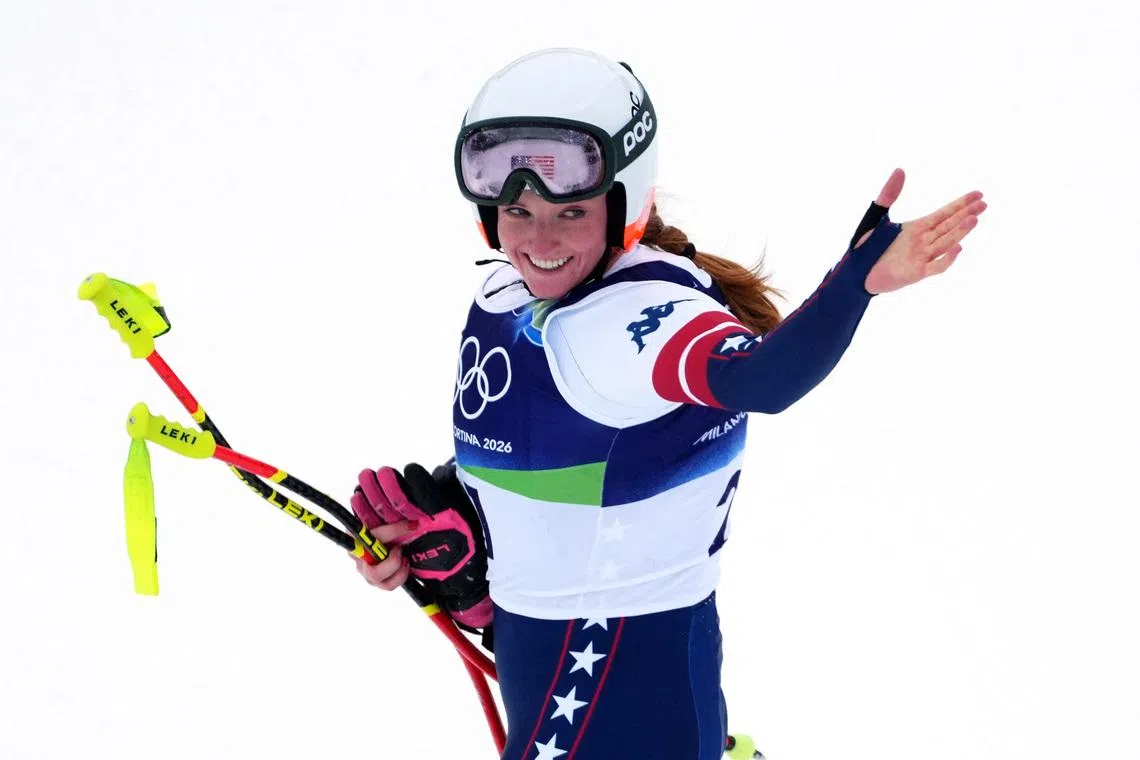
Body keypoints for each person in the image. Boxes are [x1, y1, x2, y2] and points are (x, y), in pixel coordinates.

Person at [349, 48, 986, 760]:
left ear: (625, 198)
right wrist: (456, 541)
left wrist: (856, 283)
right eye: (517, 210)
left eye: (571, 210)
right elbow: (558, 459)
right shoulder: (505, 299)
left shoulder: (636, 320)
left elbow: (763, 381)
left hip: (617, 665)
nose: (537, 239)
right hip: (553, 654)